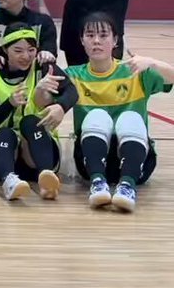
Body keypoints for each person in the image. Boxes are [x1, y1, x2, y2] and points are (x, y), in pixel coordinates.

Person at [67, 12, 173, 213]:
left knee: (130, 118)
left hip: (138, 162)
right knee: (97, 116)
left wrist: (152, 62)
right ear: (82, 40)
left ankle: (127, 186)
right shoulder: (73, 75)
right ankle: (98, 183)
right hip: (90, 163)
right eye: (90, 35)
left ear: (115, 40)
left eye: (103, 35)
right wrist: (43, 92)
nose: (96, 41)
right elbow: (43, 100)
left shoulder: (135, 71)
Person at [0, 23, 77, 202]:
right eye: (18, 51)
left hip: (35, 151)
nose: (26, 56)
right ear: (5, 50)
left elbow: (71, 91)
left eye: (31, 50)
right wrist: (10, 103)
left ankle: (46, 177)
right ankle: (9, 181)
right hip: (2, 154)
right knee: (5, 133)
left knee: (30, 121)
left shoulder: (43, 68)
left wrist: (61, 106)